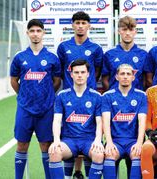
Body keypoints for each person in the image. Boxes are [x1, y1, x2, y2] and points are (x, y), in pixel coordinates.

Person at [10, 19, 61, 179]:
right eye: (32, 31)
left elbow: (57, 81)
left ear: (43, 33)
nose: (35, 34)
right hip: (25, 108)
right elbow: (14, 80)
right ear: (27, 33)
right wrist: (24, 95)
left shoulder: (52, 57)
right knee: (22, 144)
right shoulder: (20, 57)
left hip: (46, 109)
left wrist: (45, 94)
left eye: (38, 31)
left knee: (46, 145)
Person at [57, 11, 103, 178]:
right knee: (68, 134)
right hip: (69, 97)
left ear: (88, 26)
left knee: (87, 133)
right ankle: (74, 173)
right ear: (72, 25)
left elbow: (96, 71)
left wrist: (87, 84)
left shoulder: (96, 48)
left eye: (84, 23)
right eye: (77, 23)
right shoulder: (63, 47)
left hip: (88, 96)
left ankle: (82, 173)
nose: (80, 26)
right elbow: (62, 70)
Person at [48, 60, 104, 179]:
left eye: (83, 72)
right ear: (71, 74)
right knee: (54, 152)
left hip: (89, 140)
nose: (79, 75)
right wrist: (57, 140)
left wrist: (98, 140)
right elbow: (57, 121)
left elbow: (100, 122)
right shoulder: (62, 95)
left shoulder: (96, 96)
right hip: (69, 141)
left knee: (99, 154)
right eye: (76, 72)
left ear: (88, 74)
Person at [102, 64, 147, 179]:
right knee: (109, 154)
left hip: (133, 140)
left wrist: (139, 143)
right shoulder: (108, 96)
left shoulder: (141, 95)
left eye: (128, 74)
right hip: (115, 141)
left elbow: (142, 122)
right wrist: (109, 142)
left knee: (137, 154)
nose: (125, 77)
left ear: (133, 77)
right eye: (122, 74)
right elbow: (106, 122)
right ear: (117, 77)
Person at [102, 16, 148, 91]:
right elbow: (104, 80)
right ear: (119, 31)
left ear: (135, 32)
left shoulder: (143, 54)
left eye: (131, 30)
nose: (127, 33)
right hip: (114, 99)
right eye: (124, 29)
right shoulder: (109, 54)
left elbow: (146, 80)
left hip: (136, 98)